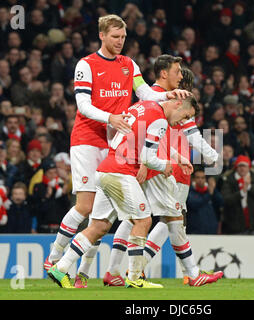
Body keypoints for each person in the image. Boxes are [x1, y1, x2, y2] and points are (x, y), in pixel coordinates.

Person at [44, 15, 190, 273]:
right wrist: (110, 117)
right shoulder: (86, 65)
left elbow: (144, 92)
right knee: (86, 206)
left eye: (123, 37)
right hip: (88, 138)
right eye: (115, 37)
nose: (120, 41)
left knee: (104, 216)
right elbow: (83, 106)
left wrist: (168, 94)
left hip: (117, 142)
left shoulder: (129, 64)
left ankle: (83, 272)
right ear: (102, 35)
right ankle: (54, 256)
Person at [47, 97, 198, 289]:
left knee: (99, 226)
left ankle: (60, 267)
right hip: (121, 172)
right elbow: (148, 157)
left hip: (105, 169)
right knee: (143, 220)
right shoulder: (159, 120)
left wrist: (176, 156)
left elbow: (131, 136)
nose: (182, 122)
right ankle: (135, 278)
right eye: (185, 115)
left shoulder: (142, 106)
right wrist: (166, 165)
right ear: (177, 104)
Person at [102, 59, 219, 287]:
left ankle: (113, 270)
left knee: (134, 218)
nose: (180, 85)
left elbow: (138, 130)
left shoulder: (151, 98)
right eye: (179, 78)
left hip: (155, 162)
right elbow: (178, 134)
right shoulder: (171, 102)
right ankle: (161, 272)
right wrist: (213, 156)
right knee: (173, 218)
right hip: (162, 167)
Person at [220, 155, 254, 234]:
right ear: (236, 167)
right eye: (240, 166)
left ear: (249, 167)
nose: (242, 169)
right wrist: (241, 193)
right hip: (235, 227)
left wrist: (250, 187)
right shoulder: (229, 181)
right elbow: (226, 200)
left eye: (244, 166)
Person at [186, 168, 223, 234]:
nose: (200, 180)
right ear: (193, 179)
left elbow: (221, 202)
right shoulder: (189, 192)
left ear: (205, 180)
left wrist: (214, 189)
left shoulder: (211, 190)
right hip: (194, 231)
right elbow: (194, 204)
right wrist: (209, 194)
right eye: (198, 177)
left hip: (211, 230)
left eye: (203, 178)